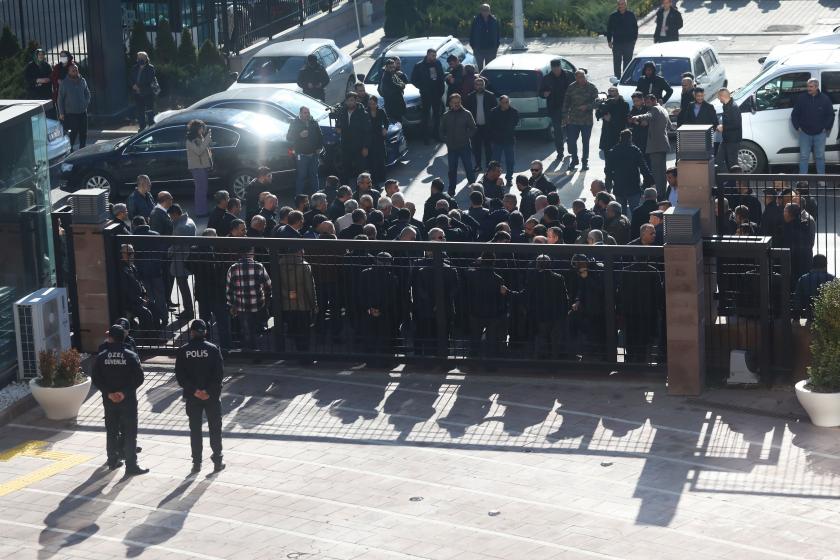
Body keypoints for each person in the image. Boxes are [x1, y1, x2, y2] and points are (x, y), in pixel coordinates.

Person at [92, 324, 148, 475]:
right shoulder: (130, 355)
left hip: (109, 402)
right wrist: (123, 393)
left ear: (110, 338)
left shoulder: (102, 356)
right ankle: (131, 465)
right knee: (130, 433)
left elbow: (96, 378)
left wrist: (109, 393)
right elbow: (139, 378)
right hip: (128, 401)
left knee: (111, 431)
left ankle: (112, 460)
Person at [175, 319, 226, 473]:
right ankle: (217, 460)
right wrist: (208, 391)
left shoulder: (184, 351)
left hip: (192, 397)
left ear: (191, 332)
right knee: (215, 429)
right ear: (205, 332)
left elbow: (180, 376)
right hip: (211, 397)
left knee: (195, 430)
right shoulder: (213, 349)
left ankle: (196, 463)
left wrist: (195, 391)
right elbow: (219, 375)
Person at [226, 248, 272, 350]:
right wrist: (267, 299)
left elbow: (229, 291)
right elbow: (268, 285)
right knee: (258, 329)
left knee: (247, 330)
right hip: (258, 304)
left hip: (241, 305)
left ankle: (252, 351)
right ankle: (260, 349)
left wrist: (232, 305)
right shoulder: (259, 266)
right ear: (251, 252)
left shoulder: (233, 268)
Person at [630, 94, 672, 199]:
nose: (647, 105)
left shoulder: (654, 109)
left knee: (657, 173)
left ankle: (661, 195)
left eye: (648, 102)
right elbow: (670, 126)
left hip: (656, 145)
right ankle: (662, 193)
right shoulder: (663, 109)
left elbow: (647, 115)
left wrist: (637, 117)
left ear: (654, 101)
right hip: (662, 144)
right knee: (662, 172)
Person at [792, 78, 835, 175]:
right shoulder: (801, 98)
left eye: (811, 87)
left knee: (820, 157)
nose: (808, 88)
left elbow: (831, 115)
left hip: (820, 134)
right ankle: (802, 180)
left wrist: (826, 127)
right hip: (804, 133)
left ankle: (821, 178)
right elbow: (794, 114)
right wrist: (797, 127)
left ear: (816, 87)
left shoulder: (825, 99)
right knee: (803, 157)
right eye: (808, 86)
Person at [606, 129, 653, 215]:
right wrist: (649, 182)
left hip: (619, 187)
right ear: (630, 138)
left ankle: (623, 227)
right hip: (633, 187)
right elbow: (643, 167)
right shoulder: (635, 150)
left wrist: (609, 185)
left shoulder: (613, 151)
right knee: (635, 212)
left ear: (620, 138)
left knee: (620, 214)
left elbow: (608, 171)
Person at [278, 250, 317, 353]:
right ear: (299, 251)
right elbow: (310, 287)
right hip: (303, 304)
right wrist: (314, 305)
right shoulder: (304, 265)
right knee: (304, 331)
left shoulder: (279, 264)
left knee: (293, 330)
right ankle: (304, 354)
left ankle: (295, 352)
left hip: (287, 304)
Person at [441, 93, 477, 196]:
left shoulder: (467, 114)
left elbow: (473, 128)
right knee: (452, 170)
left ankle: (474, 188)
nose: (457, 104)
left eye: (458, 102)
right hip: (452, 148)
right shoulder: (446, 115)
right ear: (450, 103)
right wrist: (445, 139)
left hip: (464, 146)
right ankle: (451, 190)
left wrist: (467, 136)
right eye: (454, 102)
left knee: (469, 168)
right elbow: (441, 130)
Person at [562, 69, 599, 172]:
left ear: (585, 76)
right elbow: (566, 102)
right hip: (573, 119)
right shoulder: (571, 87)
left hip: (586, 121)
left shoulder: (591, 87)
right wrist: (565, 116)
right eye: (579, 77)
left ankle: (585, 162)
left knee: (585, 142)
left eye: (583, 77)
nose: (581, 79)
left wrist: (587, 106)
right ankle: (574, 160)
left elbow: (598, 102)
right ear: (576, 78)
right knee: (572, 141)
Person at [411, 49, 446, 144]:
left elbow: (441, 76)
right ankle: (425, 137)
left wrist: (441, 90)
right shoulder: (419, 66)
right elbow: (413, 79)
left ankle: (436, 135)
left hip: (437, 93)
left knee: (437, 115)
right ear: (427, 55)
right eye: (432, 55)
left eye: (435, 55)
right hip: (426, 94)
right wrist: (422, 87)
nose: (434, 57)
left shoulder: (437, 63)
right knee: (426, 116)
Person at [540, 59, 572, 160]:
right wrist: (544, 94)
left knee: (571, 130)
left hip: (569, 107)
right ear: (552, 68)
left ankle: (571, 148)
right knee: (558, 132)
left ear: (560, 67)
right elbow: (540, 92)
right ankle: (560, 152)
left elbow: (575, 88)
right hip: (555, 108)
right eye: (554, 69)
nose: (556, 71)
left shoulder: (568, 75)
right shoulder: (547, 78)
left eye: (557, 69)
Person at [287, 106, 324, 194]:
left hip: (314, 154)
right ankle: (299, 197)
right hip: (301, 155)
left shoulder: (313, 122)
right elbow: (289, 137)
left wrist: (319, 147)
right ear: (300, 114)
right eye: (305, 113)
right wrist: (299, 135)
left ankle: (317, 195)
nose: (307, 114)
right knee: (302, 176)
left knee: (314, 176)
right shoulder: (295, 123)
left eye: (308, 112)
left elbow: (320, 136)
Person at [335, 92, 370, 184]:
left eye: (352, 100)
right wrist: (338, 128)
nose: (350, 103)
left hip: (359, 145)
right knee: (345, 169)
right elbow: (338, 123)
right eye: (348, 101)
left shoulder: (362, 113)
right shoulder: (342, 112)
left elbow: (367, 132)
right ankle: (344, 189)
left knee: (360, 170)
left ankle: (361, 190)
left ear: (356, 101)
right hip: (346, 145)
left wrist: (365, 147)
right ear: (346, 101)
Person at [168, 204, 196, 319]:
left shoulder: (180, 227)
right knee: (184, 288)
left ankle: (188, 311)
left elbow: (175, 246)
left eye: (171, 216)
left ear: (175, 214)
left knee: (183, 288)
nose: (170, 218)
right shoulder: (190, 221)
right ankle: (189, 310)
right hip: (187, 259)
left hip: (180, 261)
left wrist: (168, 253)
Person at [464, 77, 497, 172]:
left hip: (487, 126)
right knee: (476, 148)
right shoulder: (470, 97)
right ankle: (478, 165)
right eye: (477, 85)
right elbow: (467, 112)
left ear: (484, 85)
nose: (479, 86)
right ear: (474, 86)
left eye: (481, 84)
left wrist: (493, 126)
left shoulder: (490, 96)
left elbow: (495, 112)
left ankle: (488, 166)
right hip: (475, 127)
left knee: (488, 148)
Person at [57, 64, 91, 150]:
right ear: (69, 72)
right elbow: (60, 99)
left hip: (83, 112)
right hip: (71, 113)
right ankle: (70, 149)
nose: (75, 71)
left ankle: (82, 149)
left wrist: (85, 103)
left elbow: (87, 93)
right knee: (73, 132)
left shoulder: (82, 80)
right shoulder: (64, 83)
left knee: (83, 133)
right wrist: (61, 113)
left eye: (76, 70)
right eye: (73, 70)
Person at [794, 254, 834, 322]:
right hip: (829, 318)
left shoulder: (803, 279)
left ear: (812, 264)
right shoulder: (832, 279)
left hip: (810, 316)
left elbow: (798, 300)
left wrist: (796, 317)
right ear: (825, 264)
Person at [185, 119, 212, 218]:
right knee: (200, 190)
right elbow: (199, 151)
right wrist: (207, 138)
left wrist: (207, 138)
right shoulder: (190, 140)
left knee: (202, 190)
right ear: (197, 128)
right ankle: (201, 212)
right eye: (201, 127)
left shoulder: (198, 137)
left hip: (201, 167)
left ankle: (202, 210)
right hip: (197, 168)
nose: (203, 129)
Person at [606, 0, 638, 79]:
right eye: (619, 4)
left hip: (629, 43)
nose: (621, 6)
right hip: (617, 43)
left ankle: (625, 78)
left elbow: (635, 28)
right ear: (618, 5)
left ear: (626, 5)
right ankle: (617, 79)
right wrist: (609, 41)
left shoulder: (631, 15)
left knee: (627, 62)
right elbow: (609, 29)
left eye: (623, 4)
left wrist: (634, 40)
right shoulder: (613, 16)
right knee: (617, 62)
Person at [717, 88, 742, 172]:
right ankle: (723, 182)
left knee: (732, 164)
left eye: (718, 97)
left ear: (722, 96)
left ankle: (737, 183)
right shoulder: (726, 105)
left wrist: (723, 127)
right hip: (726, 140)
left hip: (733, 141)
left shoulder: (734, 107)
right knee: (719, 161)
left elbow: (737, 124)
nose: (718, 99)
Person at [131, 51, 157, 130]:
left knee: (149, 111)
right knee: (140, 111)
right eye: (139, 58)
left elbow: (150, 80)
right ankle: (142, 128)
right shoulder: (134, 68)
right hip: (137, 93)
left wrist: (139, 87)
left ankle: (151, 128)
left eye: (142, 58)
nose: (140, 59)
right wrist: (133, 85)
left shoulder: (150, 68)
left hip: (147, 93)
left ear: (146, 59)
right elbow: (130, 78)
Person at [597, 87, 629, 152]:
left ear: (617, 92)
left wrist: (611, 119)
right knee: (607, 155)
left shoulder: (624, 104)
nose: (611, 92)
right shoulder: (605, 102)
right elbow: (597, 114)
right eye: (610, 91)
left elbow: (624, 119)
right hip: (607, 132)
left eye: (613, 91)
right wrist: (603, 115)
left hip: (618, 132)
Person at [366, 95, 389, 186]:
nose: (372, 105)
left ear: (376, 103)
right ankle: (374, 179)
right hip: (370, 137)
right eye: (370, 104)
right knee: (372, 159)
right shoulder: (366, 112)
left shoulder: (381, 111)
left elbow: (386, 121)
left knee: (381, 158)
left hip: (379, 137)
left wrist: (385, 129)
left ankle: (382, 177)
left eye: (374, 104)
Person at [469, 3, 500, 70]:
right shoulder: (476, 20)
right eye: (483, 10)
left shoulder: (494, 20)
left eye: (487, 10)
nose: (485, 12)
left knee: (490, 68)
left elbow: (497, 33)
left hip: (491, 49)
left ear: (489, 11)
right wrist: (473, 46)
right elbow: (472, 33)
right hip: (479, 49)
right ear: (480, 11)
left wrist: (497, 45)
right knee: (478, 68)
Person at [379, 58, 406, 124]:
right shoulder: (387, 77)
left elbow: (402, 83)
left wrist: (401, 85)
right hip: (392, 107)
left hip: (397, 105)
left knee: (399, 123)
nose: (392, 69)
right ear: (386, 67)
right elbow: (398, 86)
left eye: (393, 67)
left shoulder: (393, 74)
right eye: (390, 67)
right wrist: (401, 85)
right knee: (395, 125)